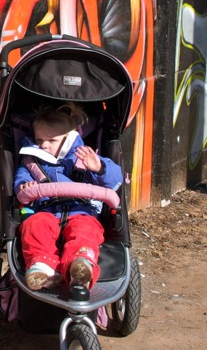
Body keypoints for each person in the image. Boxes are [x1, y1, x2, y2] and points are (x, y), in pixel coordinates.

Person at [14, 105, 123, 290]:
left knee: (86, 230)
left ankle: (80, 265)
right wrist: (24, 185)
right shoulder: (30, 162)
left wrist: (99, 168)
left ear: (69, 139)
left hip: (80, 211)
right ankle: (42, 266)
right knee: (33, 226)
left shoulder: (85, 158)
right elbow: (21, 178)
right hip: (46, 210)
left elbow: (115, 180)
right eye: (39, 140)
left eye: (51, 140)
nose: (43, 145)